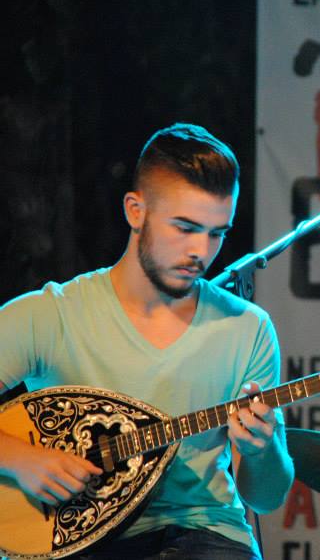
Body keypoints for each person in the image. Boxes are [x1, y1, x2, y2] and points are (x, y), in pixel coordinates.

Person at [0, 124, 294, 559]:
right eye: (185, 227)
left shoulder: (247, 328)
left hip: (201, 532)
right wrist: (21, 459)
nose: (201, 251)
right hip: (72, 531)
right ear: (136, 211)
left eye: (217, 233)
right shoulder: (51, 314)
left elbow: (266, 498)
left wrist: (262, 449)